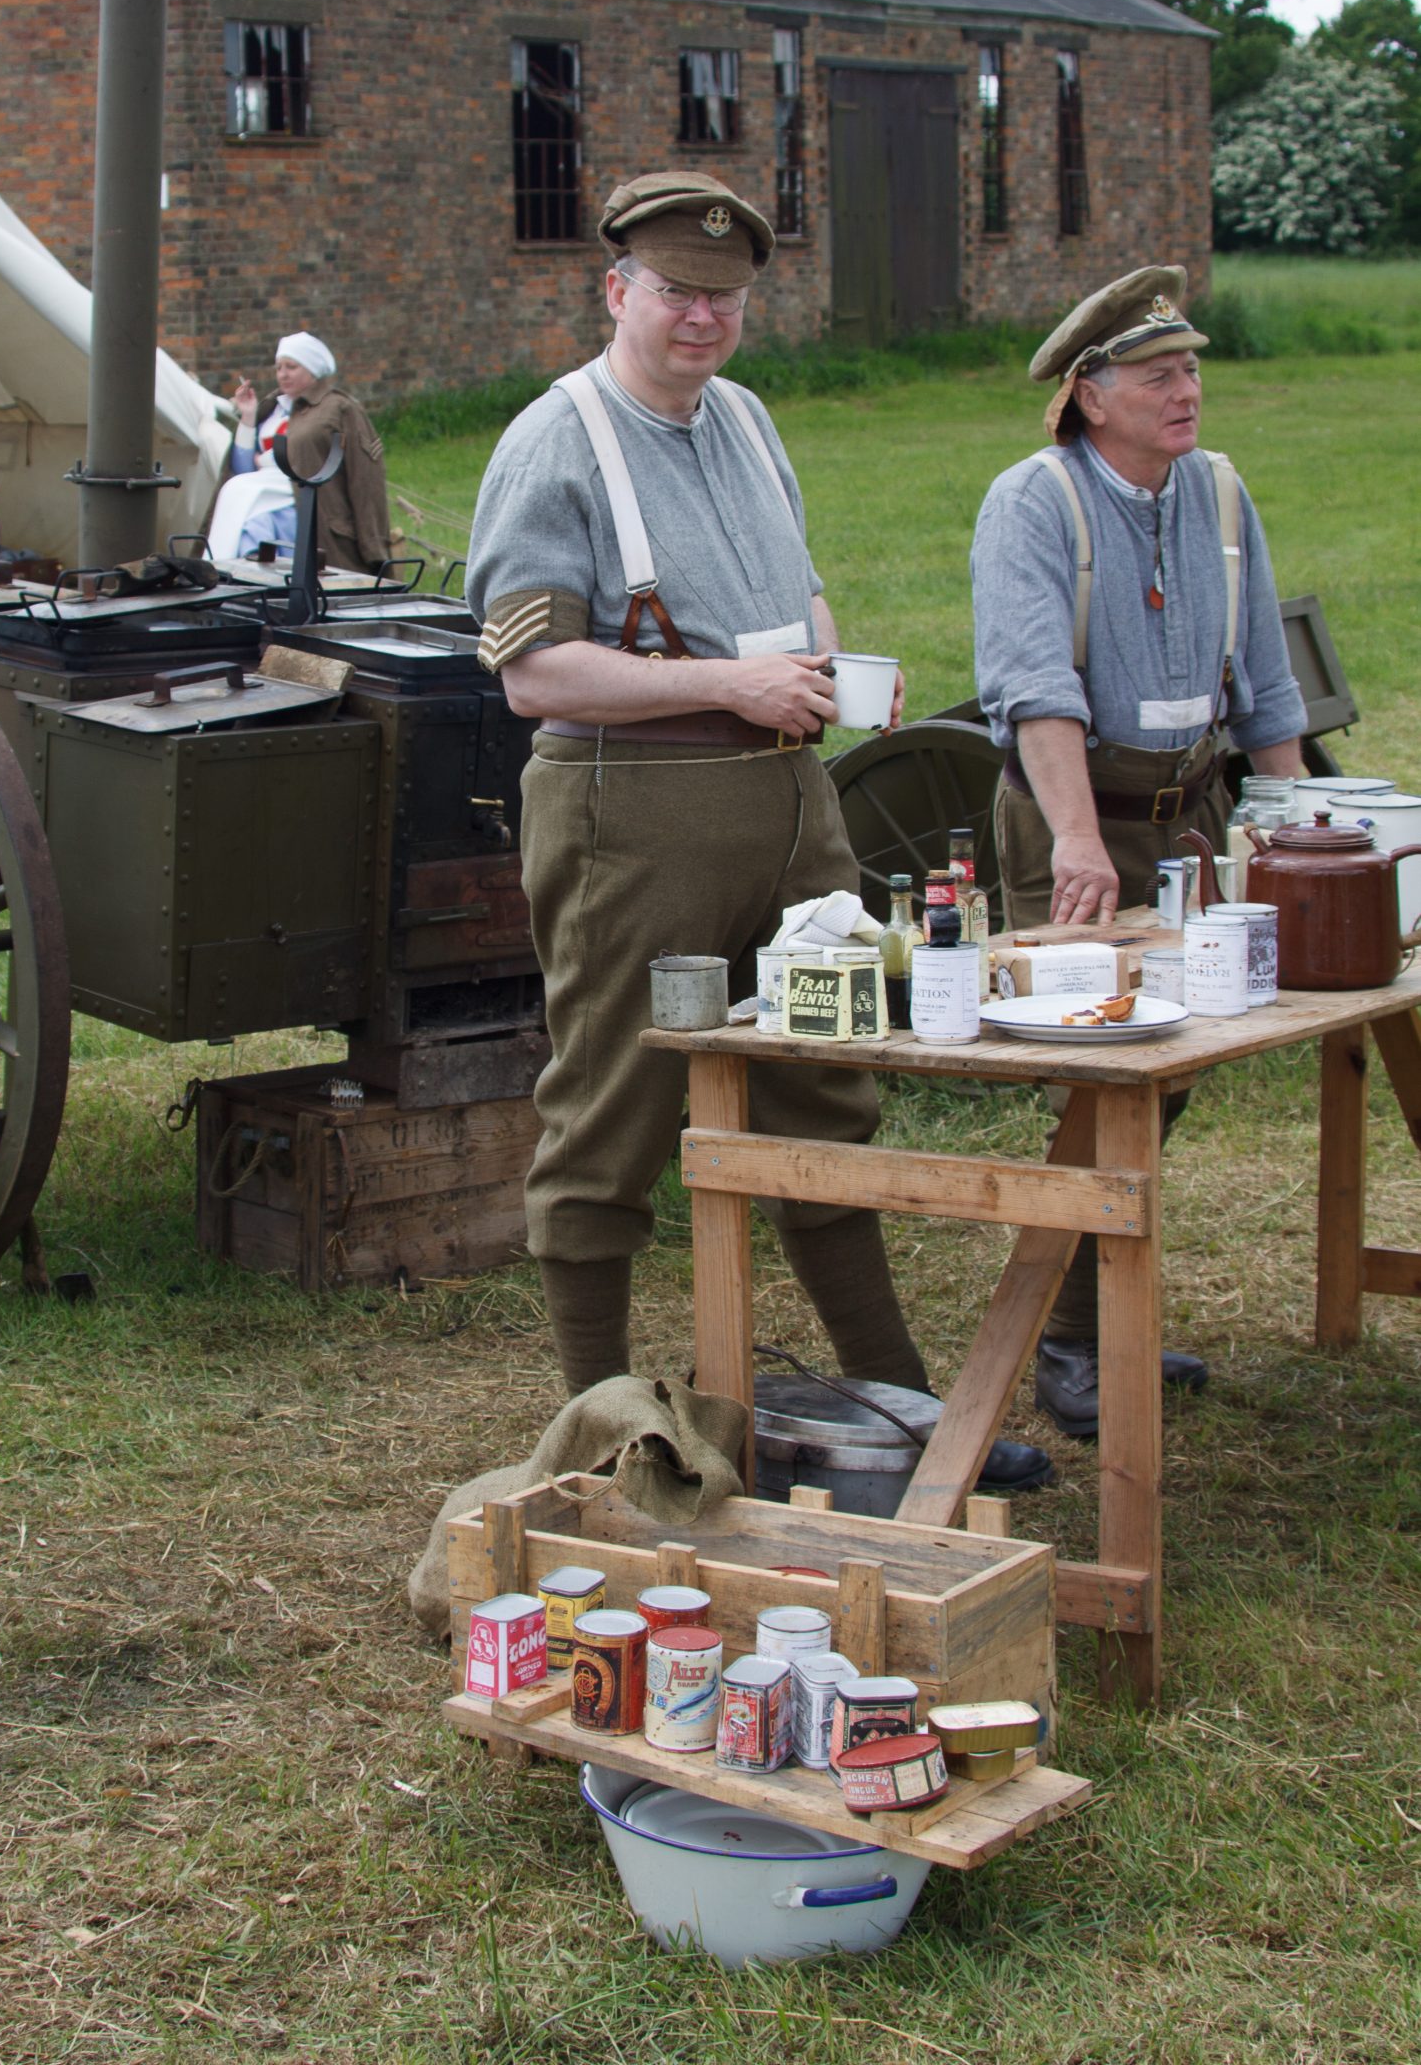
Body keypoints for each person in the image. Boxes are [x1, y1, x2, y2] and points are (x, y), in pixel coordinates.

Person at [466, 169, 1045, 1500]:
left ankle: (898, 1417)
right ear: (615, 290)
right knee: (607, 1110)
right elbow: (533, 677)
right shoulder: (553, 443)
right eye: (675, 292)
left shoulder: (745, 418)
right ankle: (603, 1436)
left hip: (789, 812)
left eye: (724, 297)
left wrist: (824, 657)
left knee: (822, 1090)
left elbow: (798, 585)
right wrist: (722, 683)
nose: (701, 318)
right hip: (631, 816)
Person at [972, 264, 1308, 1436]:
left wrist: (1302, 830)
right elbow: (1033, 688)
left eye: (1194, 367)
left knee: (1173, 1072)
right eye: (1159, 373)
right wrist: (1075, 839)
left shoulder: (1217, 493)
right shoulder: (1035, 501)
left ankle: (1098, 1315)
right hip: (1079, 816)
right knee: (1103, 1077)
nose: (1188, 389)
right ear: (1090, 393)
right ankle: (1065, 1344)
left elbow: (1265, 684)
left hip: (1191, 816)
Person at [232, 331, 392, 575]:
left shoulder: (338, 408)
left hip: (306, 515)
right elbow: (242, 470)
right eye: (279, 367)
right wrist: (248, 415)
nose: (283, 374)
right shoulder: (271, 410)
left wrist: (373, 545)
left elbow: (365, 477)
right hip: (262, 510)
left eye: (292, 367)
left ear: (312, 368)